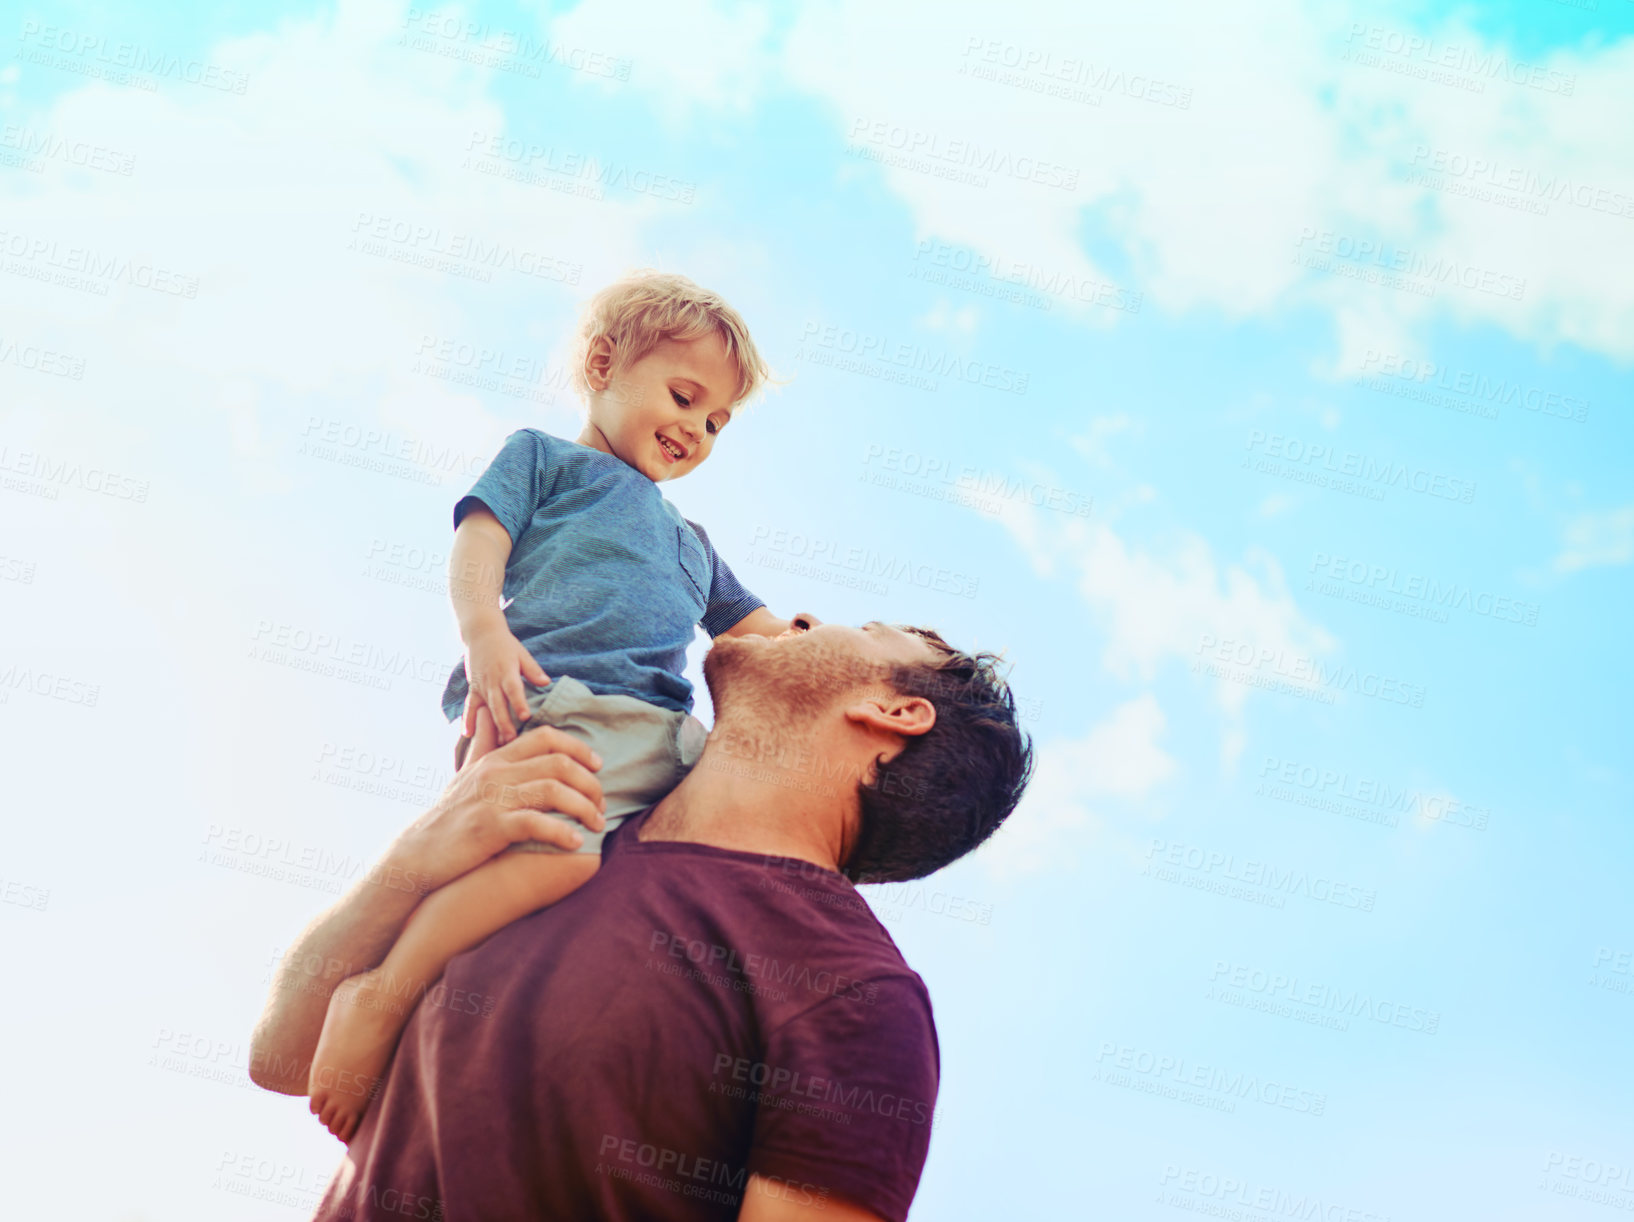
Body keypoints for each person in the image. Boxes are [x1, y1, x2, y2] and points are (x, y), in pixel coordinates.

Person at [250, 614, 1033, 1220]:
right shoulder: (553, 829)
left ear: (896, 710)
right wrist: (416, 856)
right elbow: (284, 1059)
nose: (798, 617)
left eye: (865, 630)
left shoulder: (854, 994)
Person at [304, 271, 793, 1140]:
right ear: (604, 363)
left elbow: (754, 634)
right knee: (561, 856)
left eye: (718, 423)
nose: (696, 430)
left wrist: (811, 640)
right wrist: (483, 632)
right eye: (685, 398)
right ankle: (380, 991)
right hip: (550, 700)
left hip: (658, 736)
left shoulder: (692, 544)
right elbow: (476, 542)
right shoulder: (545, 460)